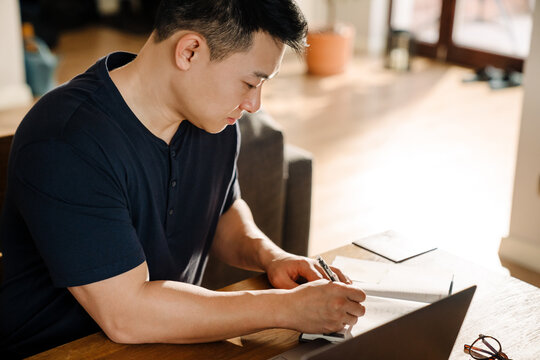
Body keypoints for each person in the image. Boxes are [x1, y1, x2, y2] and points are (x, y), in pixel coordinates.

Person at [0, 0, 366, 358]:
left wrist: (270, 256)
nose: (254, 104)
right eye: (250, 82)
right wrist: (285, 309)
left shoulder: (214, 120)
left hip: (173, 339)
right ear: (189, 51)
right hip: (64, 350)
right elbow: (126, 316)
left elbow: (221, 209)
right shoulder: (66, 140)